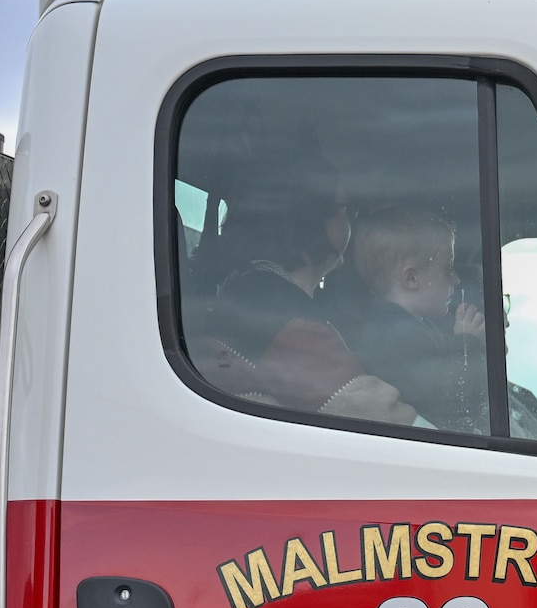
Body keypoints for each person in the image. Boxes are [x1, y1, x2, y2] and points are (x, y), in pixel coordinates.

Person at [184, 183, 417, 425]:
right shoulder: (280, 313)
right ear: (310, 221)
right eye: (344, 210)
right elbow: (372, 410)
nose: (352, 221)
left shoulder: (250, 291)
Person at [323, 206, 488, 434]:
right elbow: (455, 399)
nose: (456, 279)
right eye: (447, 269)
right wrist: (469, 341)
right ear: (411, 279)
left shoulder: (403, 329)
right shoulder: (394, 339)